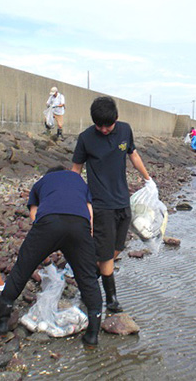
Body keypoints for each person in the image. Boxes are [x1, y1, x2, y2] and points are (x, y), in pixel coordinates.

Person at [0, 165, 102, 347]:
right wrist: (86, 237)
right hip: (80, 225)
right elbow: (89, 213)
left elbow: (34, 215)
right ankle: (92, 335)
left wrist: (40, 245)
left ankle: (0, 323)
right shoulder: (79, 181)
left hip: (49, 223)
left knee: (22, 270)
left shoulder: (42, 182)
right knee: (87, 277)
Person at [71, 96, 153, 313]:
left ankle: (87, 282)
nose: (105, 130)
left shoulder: (125, 130)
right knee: (106, 254)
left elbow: (133, 155)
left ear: (116, 119)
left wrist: (148, 179)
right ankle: (111, 300)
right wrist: (73, 199)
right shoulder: (86, 138)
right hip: (100, 205)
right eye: (100, 126)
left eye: (109, 125)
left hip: (122, 202)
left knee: (118, 248)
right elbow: (76, 170)